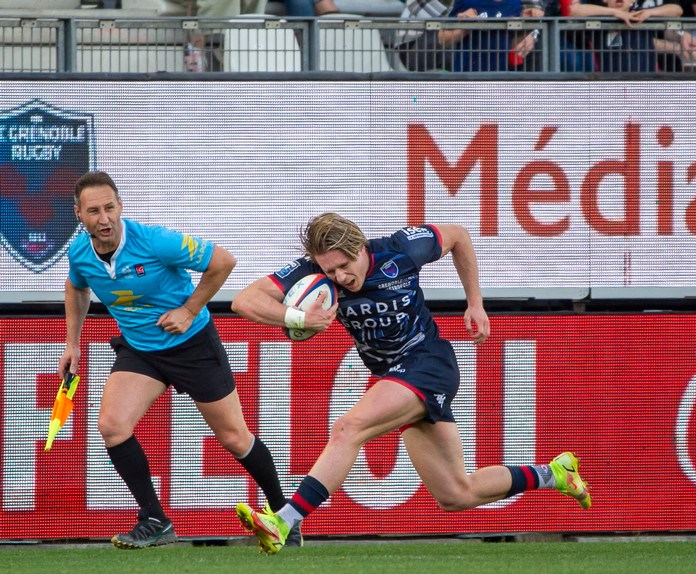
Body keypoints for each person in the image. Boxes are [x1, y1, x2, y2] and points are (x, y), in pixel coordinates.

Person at [231, 215, 591, 554]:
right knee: (456, 493)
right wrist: (299, 317)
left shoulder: (401, 249)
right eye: (330, 271)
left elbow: (459, 236)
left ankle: (284, 521)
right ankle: (555, 474)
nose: (339, 277)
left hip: (428, 363)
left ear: (360, 247)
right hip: (395, 376)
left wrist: (475, 303)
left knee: (347, 429)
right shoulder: (312, 271)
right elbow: (244, 300)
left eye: (344, 265)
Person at [61, 172, 294, 550]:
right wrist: (72, 343)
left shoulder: (155, 241)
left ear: (121, 206)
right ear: (78, 214)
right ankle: (155, 520)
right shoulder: (80, 254)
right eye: (93, 211)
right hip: (141, 350)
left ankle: (285, 517)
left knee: (234, 438)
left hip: (192, 346)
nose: (104, 219)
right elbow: (77, 286)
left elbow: (223, 261)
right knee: (112, 426)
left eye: (109, 208)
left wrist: (188, 310)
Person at [568, 0, 696, 73]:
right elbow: (575, 10)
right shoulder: (602, 17)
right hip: (609, 81)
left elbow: (676, 9)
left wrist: (650, 12)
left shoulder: (641, 14)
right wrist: (614, 13)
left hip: (645, 79)